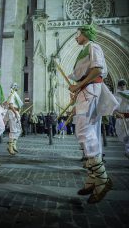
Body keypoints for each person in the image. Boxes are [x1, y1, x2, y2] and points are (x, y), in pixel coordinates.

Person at [68, 23, 119, 204]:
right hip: (86, 92)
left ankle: (103, 179)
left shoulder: (93, 46)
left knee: (85, 132)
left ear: (85, 34)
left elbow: (97, 69)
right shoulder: (86, 49)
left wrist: (78, 86)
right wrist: (76, 89)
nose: (76, 37)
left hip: (90, 91)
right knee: (89, 135)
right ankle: (92, 179)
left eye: (78, 34)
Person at [5, 83, 23, 155]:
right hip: (13, 112)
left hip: (16, 111)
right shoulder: (11, 93)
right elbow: (11, 104)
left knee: (19, 129)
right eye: (16, 86)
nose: (17, 87)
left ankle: (13, 144)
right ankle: (10, 147)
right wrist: (15, 112)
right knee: (13, 130)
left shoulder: (15, 93)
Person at [114, 79, 129, 158]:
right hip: (121, 119)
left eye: (124, 84)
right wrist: (118, 114)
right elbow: (113, 108)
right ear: (118, 86)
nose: (122, 86)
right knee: (125, 137)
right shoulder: (116, 95)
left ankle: (128, 152)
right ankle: (127, 152)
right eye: (120, 84)